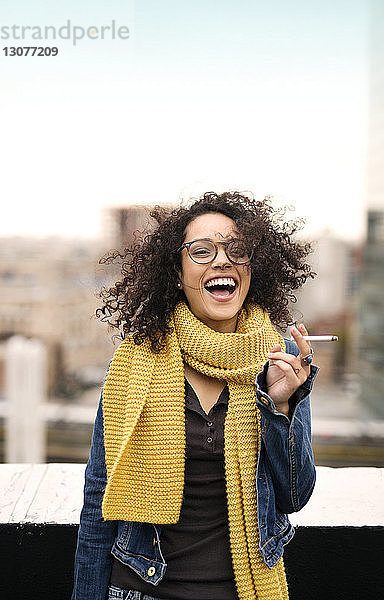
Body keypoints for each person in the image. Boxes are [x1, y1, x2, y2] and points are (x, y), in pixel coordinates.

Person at [71, 191, 319, 600]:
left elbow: (294, 495)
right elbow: (100, 496)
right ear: (177, 273)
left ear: (252, 267)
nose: (222, 260)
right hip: (138, 589)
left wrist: (279, 407)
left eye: (236, 249)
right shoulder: (135, 361)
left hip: (244, 591)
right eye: (202, 251)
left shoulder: (280, 358)